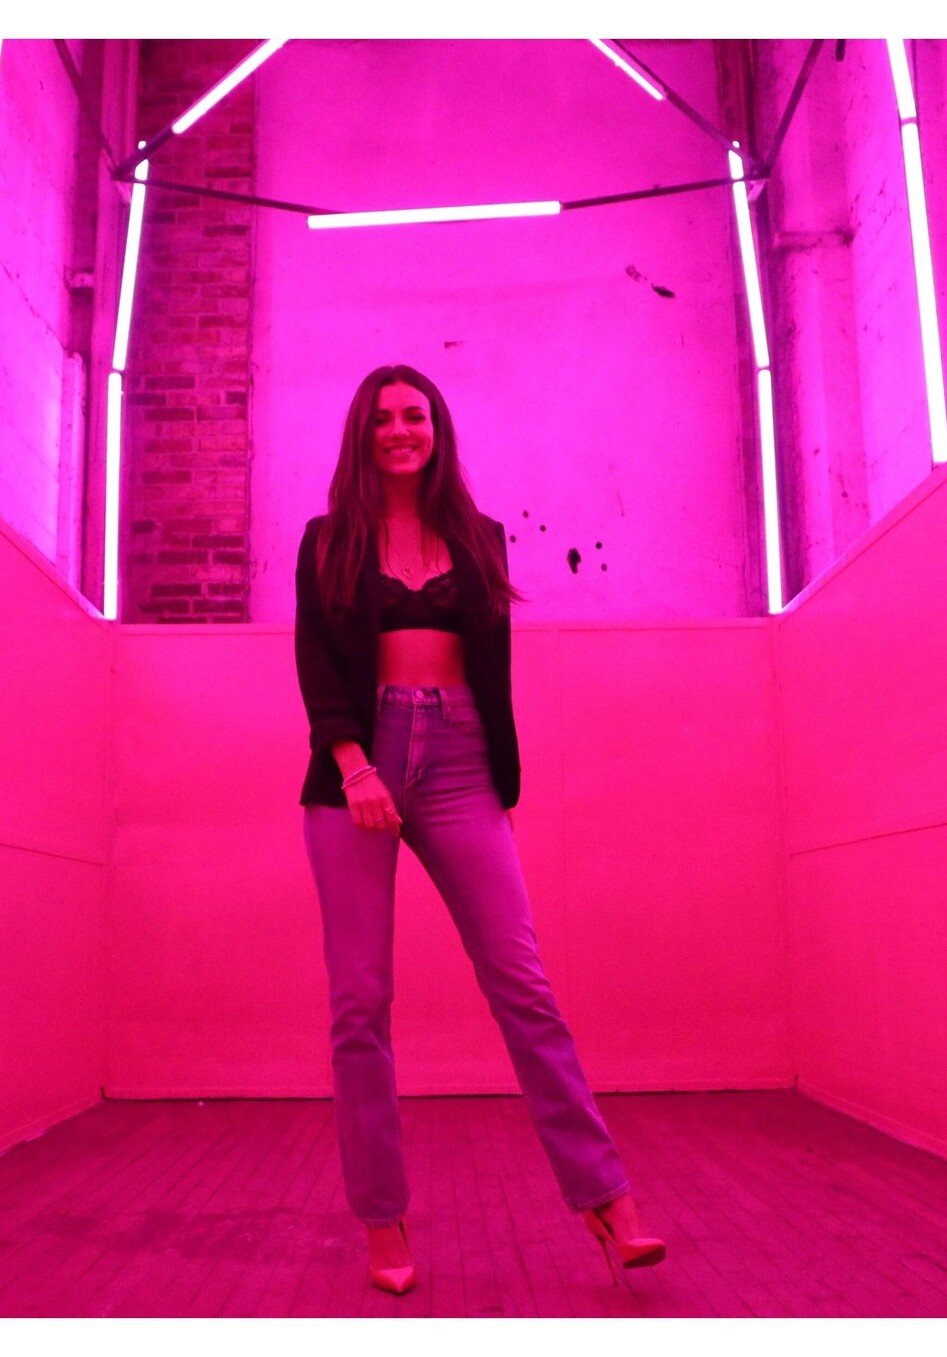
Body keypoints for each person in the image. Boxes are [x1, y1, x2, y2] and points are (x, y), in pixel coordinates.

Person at [293, 363, 666, 1295]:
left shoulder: (478, 537)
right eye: (383, 418)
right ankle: (382, 1216)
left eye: (415, 416)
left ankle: (607, 1199)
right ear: (362, 433)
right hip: (358, 763)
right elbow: (317, 667)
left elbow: (493, 672)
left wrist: (490, 770)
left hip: (459, 757)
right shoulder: (328, 540)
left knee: (523, 984)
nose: (400, 430)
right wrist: (356, 765)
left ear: (438, 430)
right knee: (361, 1001)